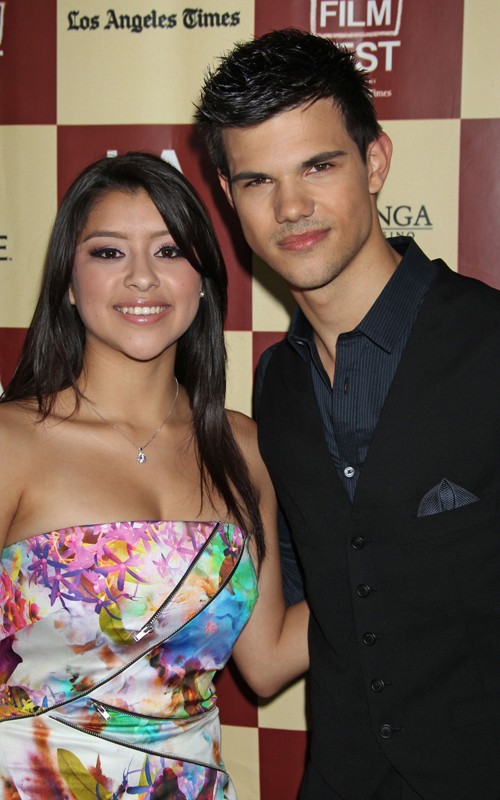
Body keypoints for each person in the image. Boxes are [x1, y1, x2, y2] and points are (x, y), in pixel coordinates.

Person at [195, 27, 500, 800]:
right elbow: (309, 612)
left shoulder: (489, 344)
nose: (291, 207)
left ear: (375, 162)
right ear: (230, 200)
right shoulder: (277, 389)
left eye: (318, 166)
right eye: (259, 181)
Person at [0, 151, 309, 800]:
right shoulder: (11, 445)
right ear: (66, 280)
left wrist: (418, 556)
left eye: (169, 252)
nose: (142, 278)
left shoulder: (244, 447)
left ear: (204, 279)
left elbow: (269, 657)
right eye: (109, 253)